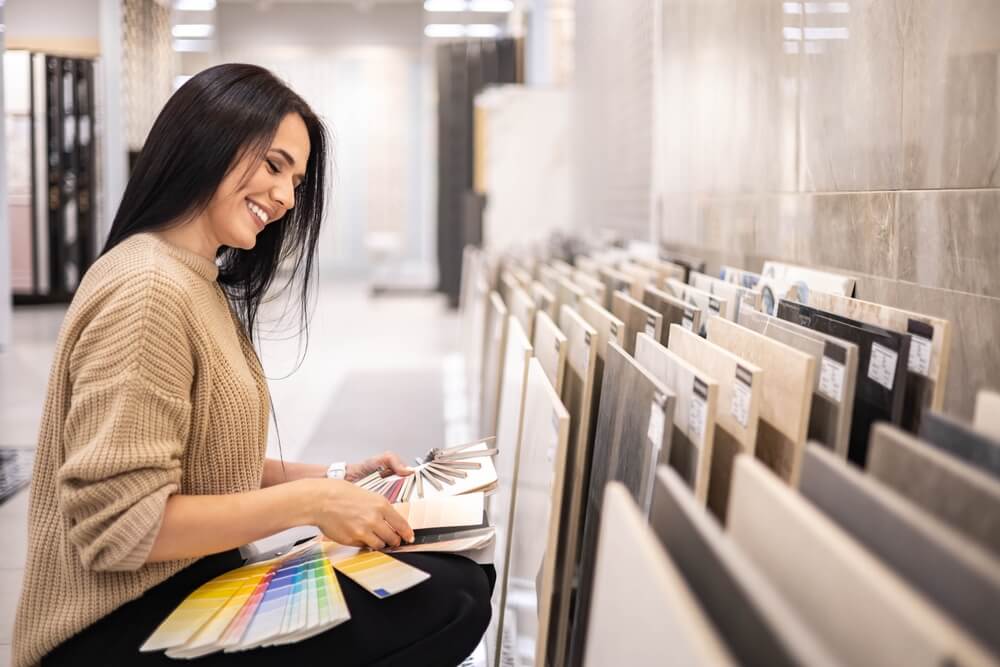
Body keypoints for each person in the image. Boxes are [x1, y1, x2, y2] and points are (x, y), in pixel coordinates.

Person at [12, 63, 492, 667]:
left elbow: (203, 459)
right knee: (447, 598)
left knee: (447, 574)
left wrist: (339, 477)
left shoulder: (189, 278)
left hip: (178, 594)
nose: (287, 197)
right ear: (206, 143)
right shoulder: (146, 291)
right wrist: (312, 504)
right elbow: (121, 527)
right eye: (274, 165)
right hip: (112, 631)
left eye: (296, 178)